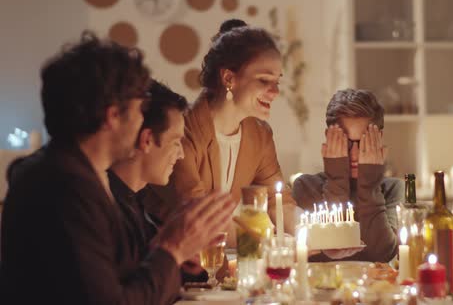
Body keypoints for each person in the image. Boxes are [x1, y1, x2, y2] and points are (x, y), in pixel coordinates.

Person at [0, 32, 235, 304]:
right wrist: (171, 249)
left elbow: (124, 275)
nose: (142, 123)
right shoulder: (62, 188)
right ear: (113, 116)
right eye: (138, 110)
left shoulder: (84, 175)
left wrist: (174, 256)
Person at [145, 19, 297, 243]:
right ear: (229, 78)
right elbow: (202, 221)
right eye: (264, 80)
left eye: (277, 81)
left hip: (234, 264)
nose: (275, 92)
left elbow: (280, 203)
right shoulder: (183, 133)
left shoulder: (260, 135)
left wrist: (316, 235)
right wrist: (271, 240)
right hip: (180, 265)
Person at [292, 89, 404, 262]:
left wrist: (369, 187)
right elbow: (325, 253)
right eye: (345, 142)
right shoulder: (305, 186)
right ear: (329, 138)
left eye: (363, 142)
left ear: (378, 139)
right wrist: (336, 180)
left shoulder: (392, 189)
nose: (354, 153)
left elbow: (381, 253)